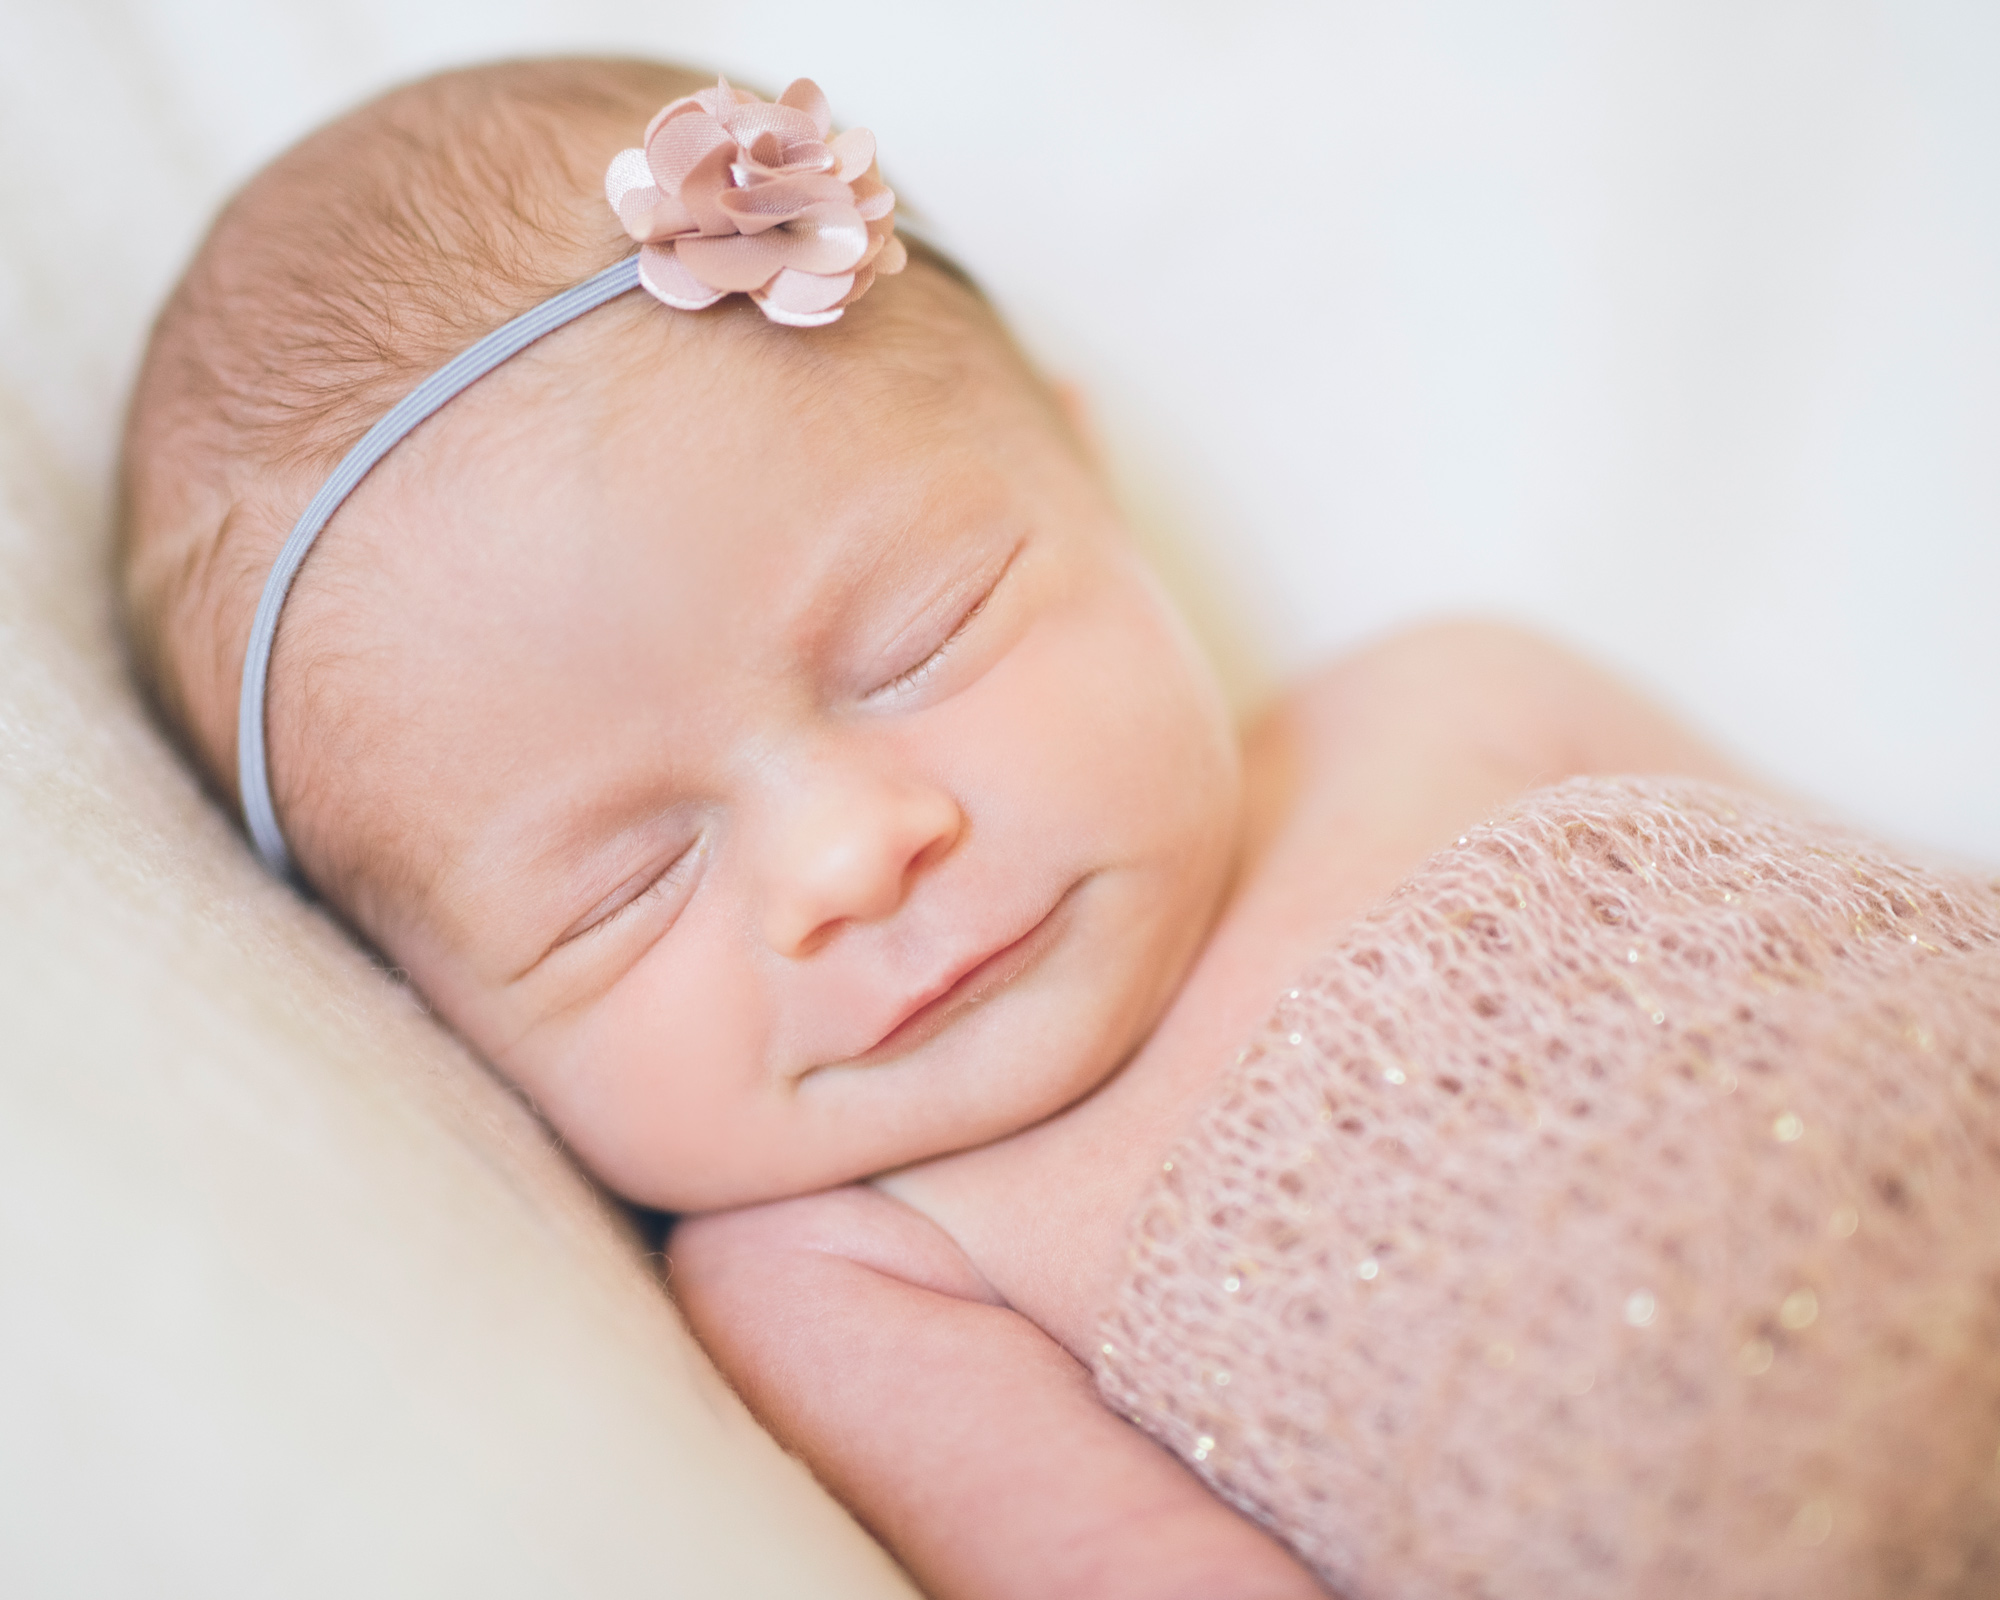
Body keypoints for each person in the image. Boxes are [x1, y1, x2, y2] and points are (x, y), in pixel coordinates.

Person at [118, 57, 2000, 1600]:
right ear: (433, 1012)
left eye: (919, 644)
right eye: (627, 887)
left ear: (1086, 484)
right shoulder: (837, 1270)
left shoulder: (1451, 705)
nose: (853, 854)